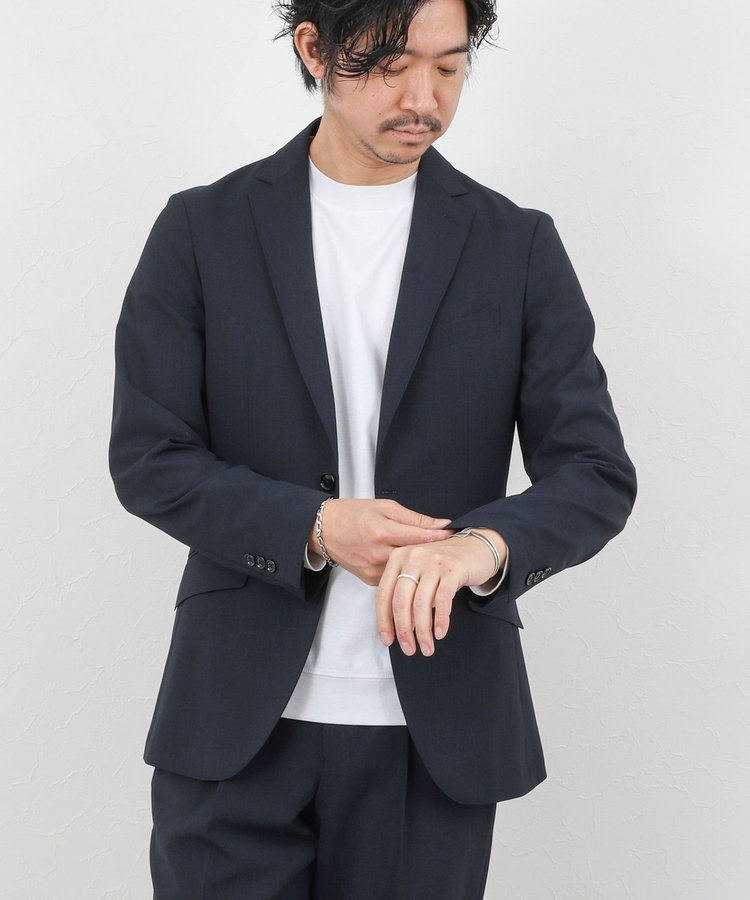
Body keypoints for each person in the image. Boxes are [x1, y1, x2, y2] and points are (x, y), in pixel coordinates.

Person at [109, 0, 637, 896]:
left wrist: (484, 548)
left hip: (434, 734)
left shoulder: (516, 244)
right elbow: (150, 456)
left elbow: (594, 472)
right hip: (236, 724)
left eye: (448, 67)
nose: (423, 98)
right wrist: (314, 526)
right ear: (315, 49)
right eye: (391, 66)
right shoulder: (202, 229)